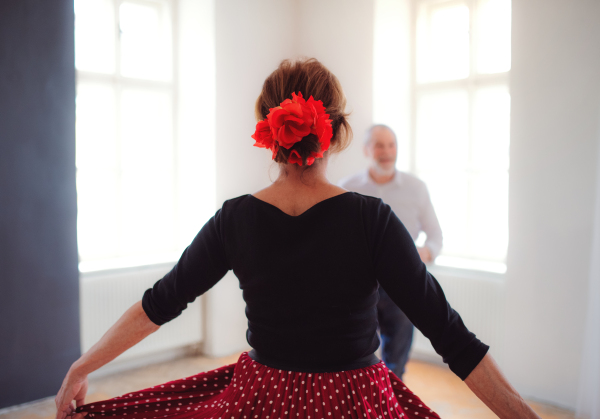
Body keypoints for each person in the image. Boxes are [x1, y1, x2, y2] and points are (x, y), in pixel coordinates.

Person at [56, 58, 541, 419]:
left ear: (268, 133)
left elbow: (158, 303)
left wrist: (81, 367)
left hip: (260, 400)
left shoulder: (236, 219)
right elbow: (451, 336)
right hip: (354, 403)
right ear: (337, 133)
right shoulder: (372, 219)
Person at [338, 124, 443, 380]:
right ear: (366, 150)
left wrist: (420, 255)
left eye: (391, 145)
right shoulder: (346, 188)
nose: (386, 152)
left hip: (403, 285)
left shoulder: (416, 188)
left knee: (396, 361)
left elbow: (436, 238)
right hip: (360, 286)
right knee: (359, 358)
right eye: (379, 145)